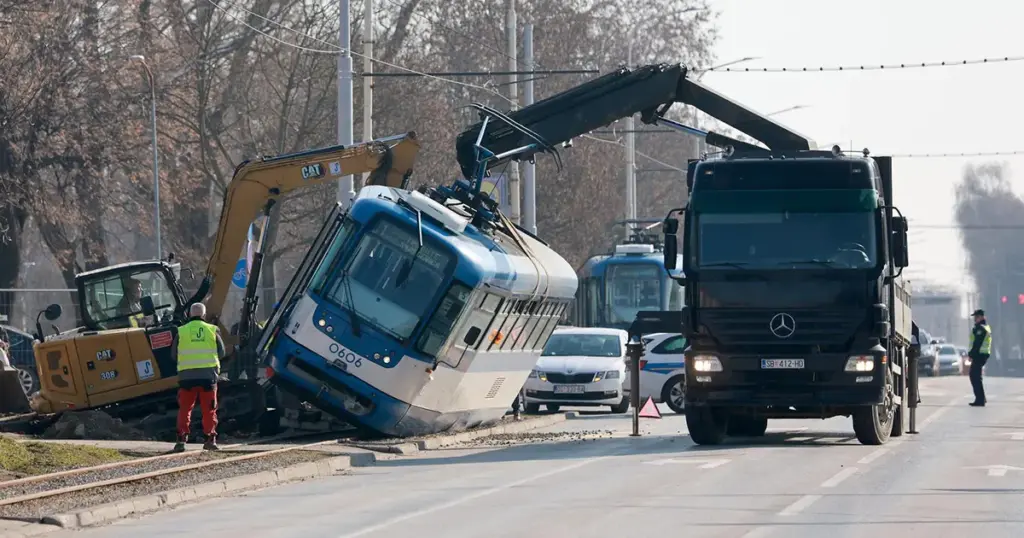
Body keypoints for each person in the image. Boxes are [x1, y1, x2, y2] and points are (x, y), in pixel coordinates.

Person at [172, 302, 225, 452]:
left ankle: (181, 440)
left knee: (185, 409)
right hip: (208, 377)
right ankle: (210, 440)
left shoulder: (181, 331)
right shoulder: (212, 330)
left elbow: (173, 355)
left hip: (186, 378)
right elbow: (222, 352)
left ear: (189, 314)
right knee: (209, 409)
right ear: (204, 315)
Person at [968, 309, 992, 407]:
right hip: (981, 354)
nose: (975, 319)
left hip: (980, 354)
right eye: (975, 317)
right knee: (976, 376)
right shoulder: (983, 327)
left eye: (977, 317)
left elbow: (977, 343)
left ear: (981, 317)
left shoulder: (981, 328)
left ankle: (980, 400)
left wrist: (971, 355)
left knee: (974, 376)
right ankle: (981, 398)